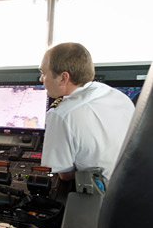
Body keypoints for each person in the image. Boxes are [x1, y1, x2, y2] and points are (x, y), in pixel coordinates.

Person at [38, 42, 135, 181]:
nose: (41, 79)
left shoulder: (61, 114)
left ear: (63, 78)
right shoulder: (117, 95)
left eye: (43, 73)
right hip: (133, 183)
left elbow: (64, 174)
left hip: (102, 196)